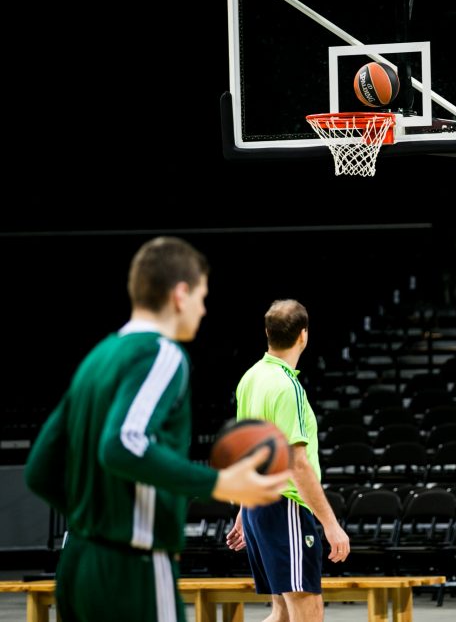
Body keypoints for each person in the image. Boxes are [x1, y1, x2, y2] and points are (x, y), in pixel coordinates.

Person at [24, 236, 289, 622]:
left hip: (77, 563)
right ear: (180, 294)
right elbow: (122, 444)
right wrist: (219, 484)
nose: (202, 309)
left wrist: (96, 518)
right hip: (132, 567)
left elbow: (39, 472)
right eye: (201, 296)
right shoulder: (162, 354)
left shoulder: (96, 358)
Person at [226, 299, 350, 622]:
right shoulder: (287, 386)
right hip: (285, 508)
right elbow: (296, 464)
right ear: (303, 336)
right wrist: (331, 524)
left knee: (281, 614)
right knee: (308, 614)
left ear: (266, 332)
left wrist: (243, 509)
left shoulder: (249, 379)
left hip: (258, 509)